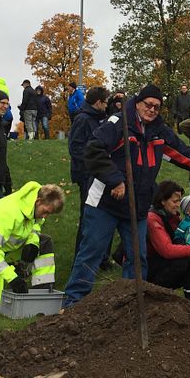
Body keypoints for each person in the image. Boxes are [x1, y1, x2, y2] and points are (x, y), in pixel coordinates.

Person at [62, 83, 190, 307]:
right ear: (137, 103)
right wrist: (115, 179)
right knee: (91, 253)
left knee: (138, 258)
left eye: (157, 107)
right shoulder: (118, 123)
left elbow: (183, 154)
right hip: (105, 203)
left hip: (136, 205)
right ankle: (73, 303)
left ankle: (129, 304)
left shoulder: (159, 131)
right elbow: (93, 150)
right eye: (148, 104)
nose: (152, 110)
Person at [68, 86, 109, 256]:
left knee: (103, 215)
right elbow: (75, 147)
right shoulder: (83, 119)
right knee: (88, 217)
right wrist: (92, 165)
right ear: (98, 102)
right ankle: (81, 255)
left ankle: (102, 256)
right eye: (105, 102)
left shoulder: (100, 118)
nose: (107, 106)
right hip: (87, 175)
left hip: (99, 174)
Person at [146, 181, 190, 290]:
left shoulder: (173, 217)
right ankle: (154, 289)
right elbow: (166, 250)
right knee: (182, 262)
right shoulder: (152, 218)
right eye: (175, 201)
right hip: (147, 263)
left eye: (179, 200)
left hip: (158, 259)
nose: (178, 205)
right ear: (163, 201)